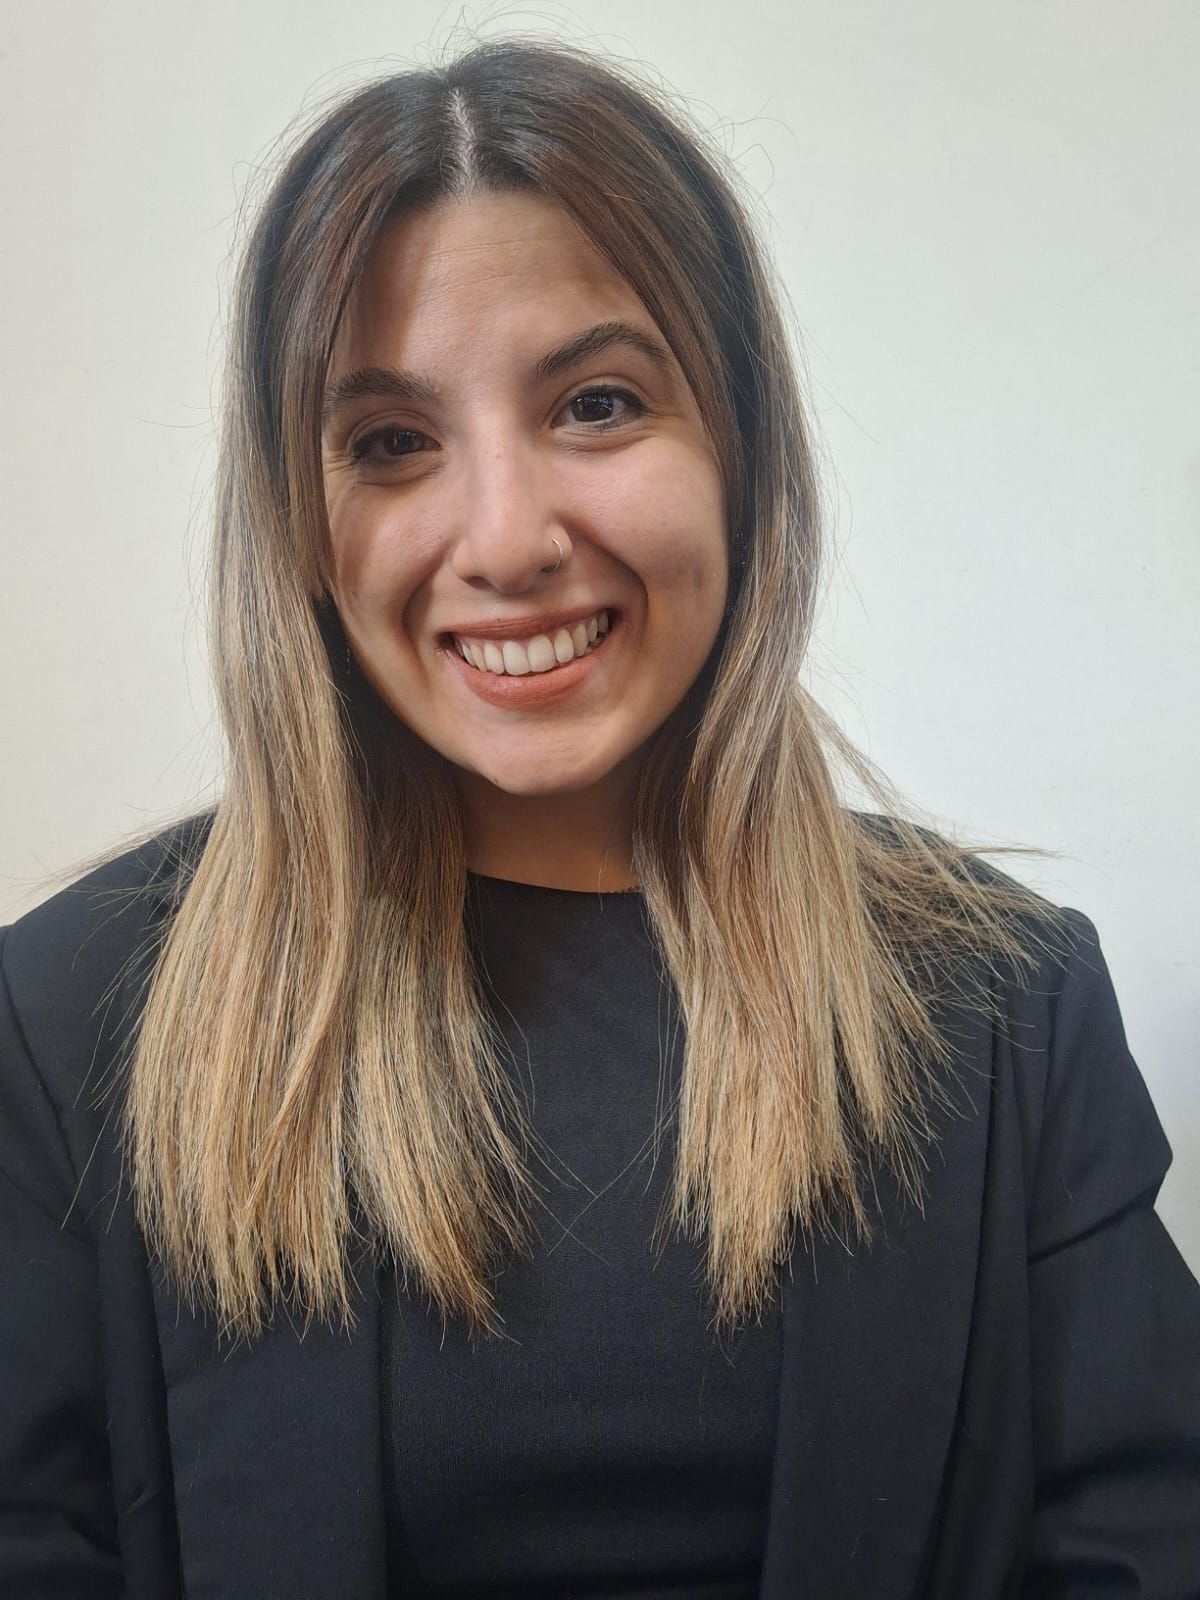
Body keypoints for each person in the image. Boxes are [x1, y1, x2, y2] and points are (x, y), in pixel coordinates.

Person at [2, 34, 1198, 1600]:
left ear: (742, 447)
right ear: (298, 520)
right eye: (391, 443)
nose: (506, 540)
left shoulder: (1009, 1015)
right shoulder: (68, 1027)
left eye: (598, 403)